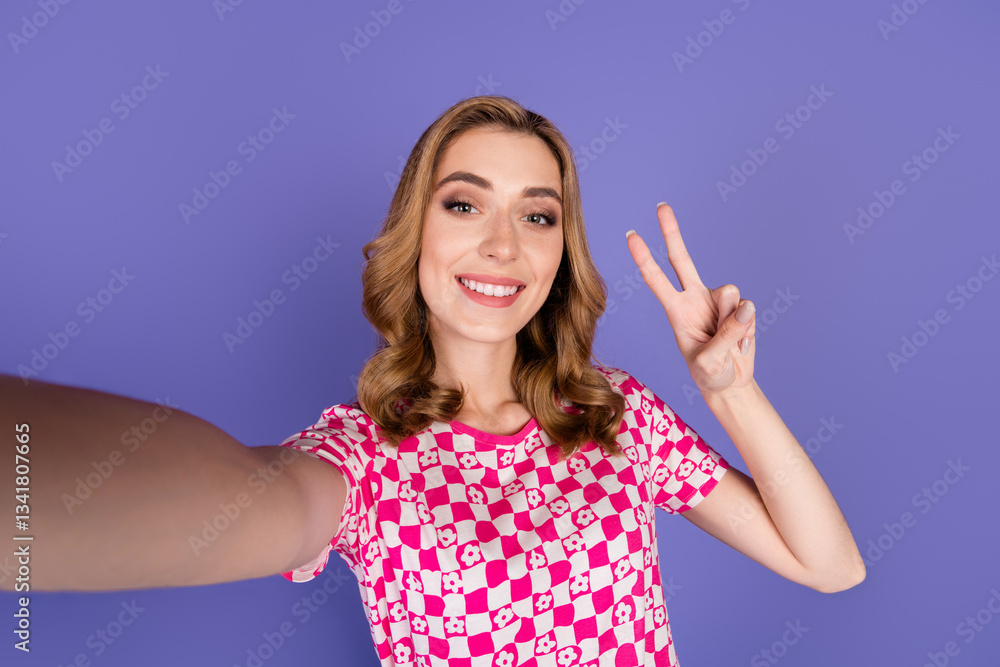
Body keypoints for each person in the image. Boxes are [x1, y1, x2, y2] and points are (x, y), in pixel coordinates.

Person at [1, 95, 865, 666]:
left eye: (537, 214)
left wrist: (729, 392)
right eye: (464, 203)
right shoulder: (366, 454)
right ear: (416, 236)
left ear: (560, 252)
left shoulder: (614, 413)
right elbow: (246, 500)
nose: (504, 244)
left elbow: (831, 567)